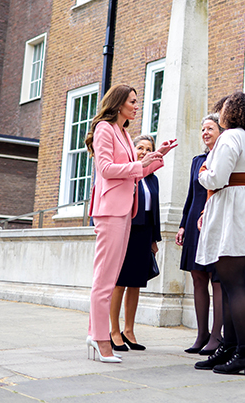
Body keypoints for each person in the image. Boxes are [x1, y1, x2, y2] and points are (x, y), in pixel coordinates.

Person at [83, 84, 177, 363]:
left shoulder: (124, 132)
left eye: (137, 102)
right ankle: (101, 339)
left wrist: (157, 156)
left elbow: (134, 175)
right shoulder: (104, 129)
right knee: (105, 279)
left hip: (126, 210)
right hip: (110, 210)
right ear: (119, 103)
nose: (137, 106)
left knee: (110, 277)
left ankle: (94, 333)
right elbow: (107, 170)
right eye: (133, 102)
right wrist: (140, 163)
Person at [194, 92, 245, 376]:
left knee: (233, 285)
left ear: (231, 112)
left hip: (231, 211)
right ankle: (232, 347)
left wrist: (202, 173)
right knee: (238, 283)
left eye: (222, 109)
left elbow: (216, 177)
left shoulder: (230, 137)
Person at [108, 134, 162, 353]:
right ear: (132, 150)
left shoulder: (153, 178)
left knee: (136, 283)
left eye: (149, 149)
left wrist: (154, 239)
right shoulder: (128, 173)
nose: (144, 152)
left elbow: (155, 211)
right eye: (140, 148)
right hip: (126, 230)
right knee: (120, 281)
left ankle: (129, 331)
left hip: (144, 232)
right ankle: (113, 331)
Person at [176, 114, 224, 355]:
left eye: (210, 128)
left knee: (217, 279)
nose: (205, 132)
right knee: (197, 277)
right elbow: (191, 195)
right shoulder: (197, 161)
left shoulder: (224, 156)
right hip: (195, 219)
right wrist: (183, 224)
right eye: (202, 129)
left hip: (215, 218)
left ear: (221, 131)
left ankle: (217, 336)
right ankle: (201, 333)